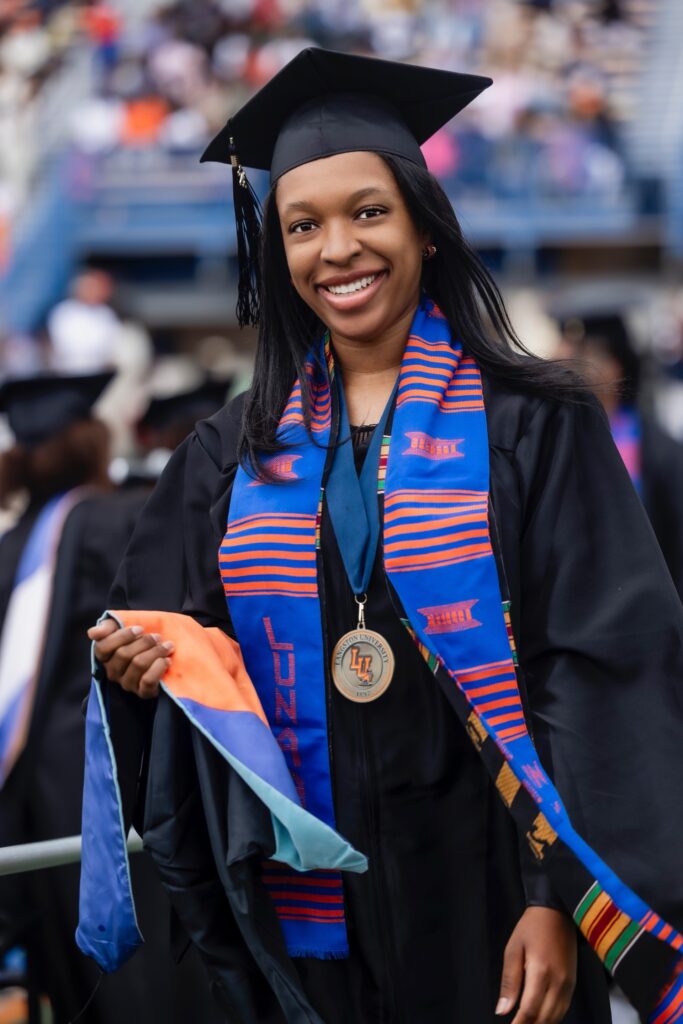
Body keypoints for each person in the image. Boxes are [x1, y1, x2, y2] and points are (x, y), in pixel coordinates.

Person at [82, 49, 683, 1024]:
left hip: (495, 888)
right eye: (302, 225)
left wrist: (554, 903)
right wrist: (143, 657)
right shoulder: (230, 451)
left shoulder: (533, 421)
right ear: (275, 249)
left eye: (368, 212)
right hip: (311, 906)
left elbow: (598, 665)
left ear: (423, 226)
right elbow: (177, 633)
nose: (337, 250)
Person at [0, 372, 223, 1024]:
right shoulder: (119, 517)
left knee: (69, 980)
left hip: (28, 794)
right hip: (105, 783)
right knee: (148, 981)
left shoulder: (15, 545)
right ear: (95, 442)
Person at [557, 311, 683, 600]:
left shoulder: (659, 451)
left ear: (615, 366)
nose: (566, 361)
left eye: (583, 351)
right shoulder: (558, 437)